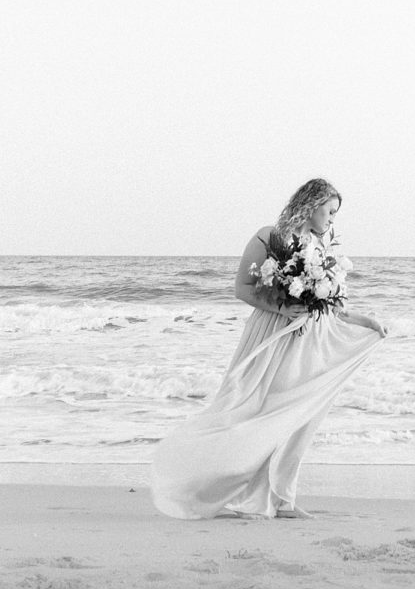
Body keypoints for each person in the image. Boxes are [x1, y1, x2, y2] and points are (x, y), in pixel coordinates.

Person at [150, 178, 388, 520]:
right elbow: (242, 288)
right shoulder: (270, 236)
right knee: (254, 410)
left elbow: (331, 304)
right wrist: (283, 308)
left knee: (298, 417)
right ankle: (207, 483)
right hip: (273, 333)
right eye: (330, 211)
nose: (333, 219)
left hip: (309, 340)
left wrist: (365, 321)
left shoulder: (321, 248)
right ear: (312, 204)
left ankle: (282, 499)